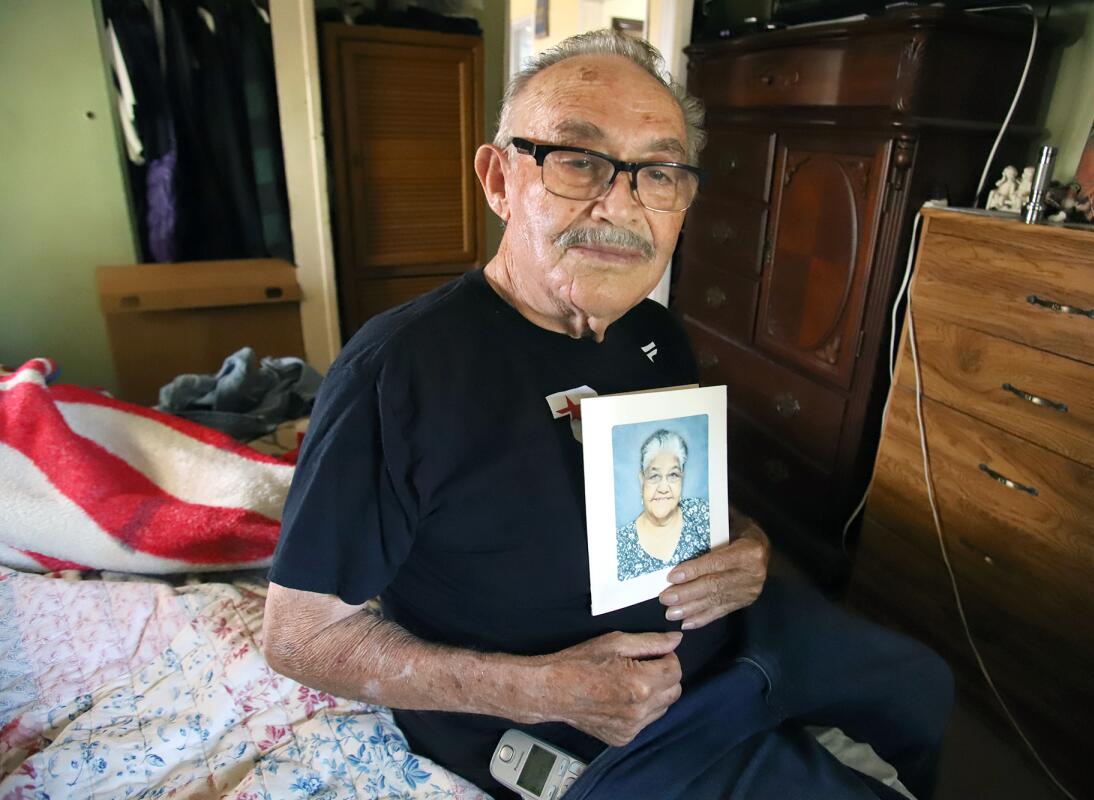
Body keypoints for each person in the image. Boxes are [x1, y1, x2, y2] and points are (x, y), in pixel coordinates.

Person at [262, 30, 952, 800]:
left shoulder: (655, 334)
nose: (619, 205)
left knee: (923, 685)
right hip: (576, 719)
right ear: (499, 179)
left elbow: (675, 492)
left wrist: (748, 543)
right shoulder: (395, 374)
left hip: (731, 636)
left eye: (658, 172)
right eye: (578, 161)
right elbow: (300, 634)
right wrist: (539, 690)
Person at [616, 429, 710, 581]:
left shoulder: (702, 514)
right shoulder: (620, 545)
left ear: (682, 478)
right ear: (642, 480)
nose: (664, 488)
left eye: (673, 475)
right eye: (654, 476)